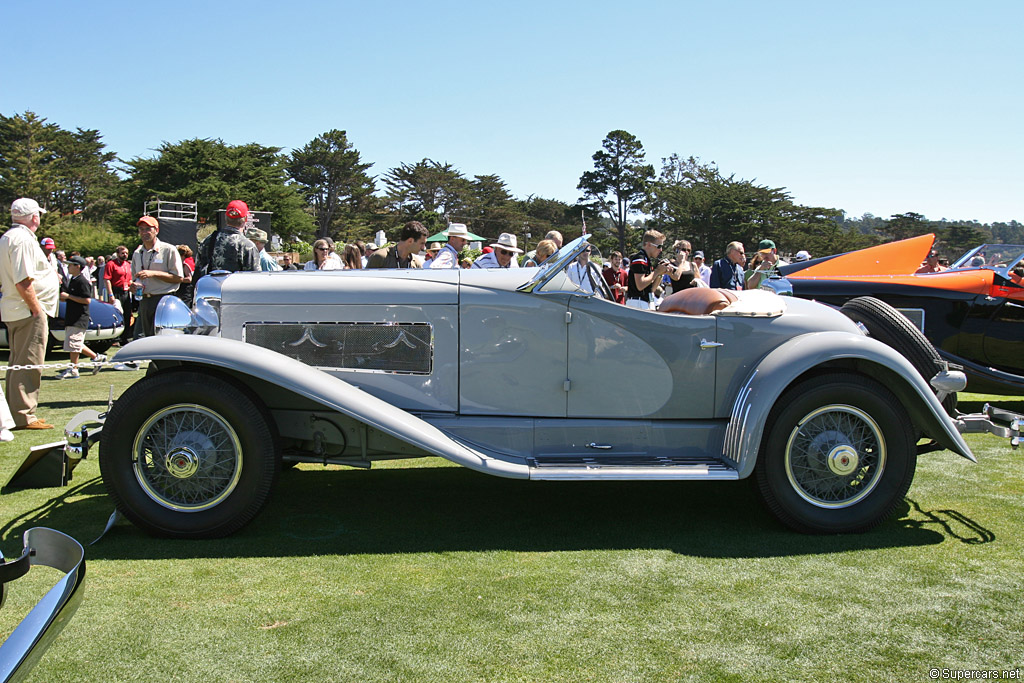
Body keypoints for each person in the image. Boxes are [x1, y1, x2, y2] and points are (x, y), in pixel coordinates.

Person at [0, 198, 61, 431]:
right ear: (34, 217)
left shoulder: (9, 237)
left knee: (17, 363)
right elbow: (23, 280)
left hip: (16, 308)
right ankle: (24, 414)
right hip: (27, 309)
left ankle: (17, 412)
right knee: (29, 363)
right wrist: (36, 310)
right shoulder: (23, 240)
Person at [131, 215, 183, 338]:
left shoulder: (168, 250)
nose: (144, 232)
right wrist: (133, 286)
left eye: (148, 229)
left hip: (164, 299)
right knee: (148, 338)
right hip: (144, 301)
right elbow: (134, 278)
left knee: (164, 338)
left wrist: (153, 273)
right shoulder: (137, 253)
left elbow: (178, 278)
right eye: (141, 229)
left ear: (157, 230)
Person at [57, 255, 106, 379]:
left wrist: (68, 296)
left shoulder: (82, 281)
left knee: (74, 343)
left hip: (79, 317)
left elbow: (87, 300)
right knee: (74, 343)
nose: (68, 267)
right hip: (72, 316)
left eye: (71, 265)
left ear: (77, 266)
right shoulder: (73, 280)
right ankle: (97, 358)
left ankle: (74, 369)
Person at [195, 200, 260, 279]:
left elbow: (198, 271)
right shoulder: (248, 246)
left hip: (211, 290)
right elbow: (255, 279)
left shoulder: (208, 240)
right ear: (245, 219)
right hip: (236, 290)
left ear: (226, 218)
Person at [625, 230, 672, 310]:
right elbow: (640, 285)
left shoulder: (647, 261)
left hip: (646, 302)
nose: (661, 250)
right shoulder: (640, 259)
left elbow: (652, 289)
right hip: (637, 303)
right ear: (649, 244)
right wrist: (657, 271)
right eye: (659, 246)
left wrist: (660, 273)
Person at [104, 245, 134, 344]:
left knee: (127, 314)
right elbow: (107, 280)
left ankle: (124, 337)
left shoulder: (128, 264)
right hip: (115, 291)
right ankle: (114, 338)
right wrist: (110, 294)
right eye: (122, 253)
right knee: (117, 314)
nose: (125, 255)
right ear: (117, 254)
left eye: (126, 253)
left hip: (126, 291)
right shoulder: (111, 264)